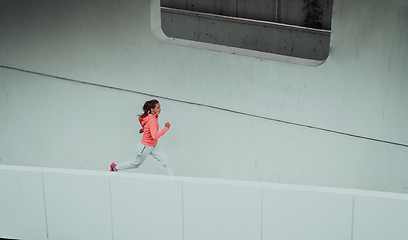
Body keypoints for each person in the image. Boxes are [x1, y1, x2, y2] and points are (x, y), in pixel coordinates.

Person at [110, 99, 174, 175]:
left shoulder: (151, 116)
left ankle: (172, 181)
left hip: (154, 146)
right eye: (158, 108)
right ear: (152, 109)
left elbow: (140, 119)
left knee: (167, 162)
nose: (160, 109)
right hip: (145, 147)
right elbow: (155, 136)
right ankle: (115, 167)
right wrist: (166, 128)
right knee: (135, 164)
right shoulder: (152, 120)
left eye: (160, 107)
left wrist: (144, 128)